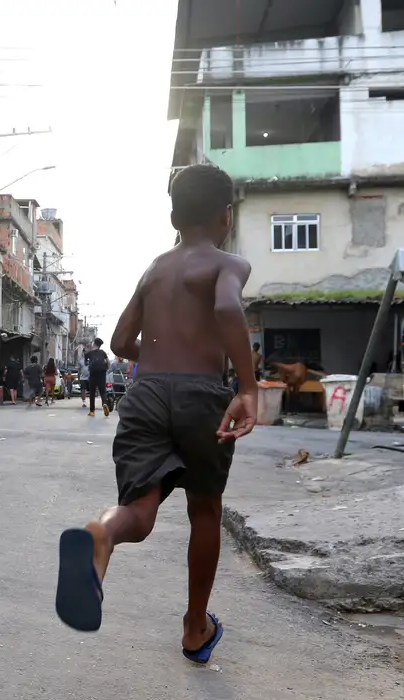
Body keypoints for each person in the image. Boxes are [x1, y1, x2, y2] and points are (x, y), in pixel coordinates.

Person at [53, 163, 258, 667]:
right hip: (201, 396)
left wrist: (162, 353)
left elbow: (123, 342)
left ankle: (100, 535)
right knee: (204, 509)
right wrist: (249, 387)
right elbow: (229, 311)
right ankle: (194, 628)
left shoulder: (155, 268)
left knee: (138, 512)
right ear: (226, 217)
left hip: (144, 394)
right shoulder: (227, 263)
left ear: (174, 216)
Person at [85, 339, 112, 417]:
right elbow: (108, 362)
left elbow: (86, 363)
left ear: (94, 344)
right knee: (103, 391)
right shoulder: (103, 352)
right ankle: (104, 404)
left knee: (92, 393)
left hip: (93, 374)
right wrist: (106, 370)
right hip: (102, 374)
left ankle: (92, 411)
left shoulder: (90, 353)